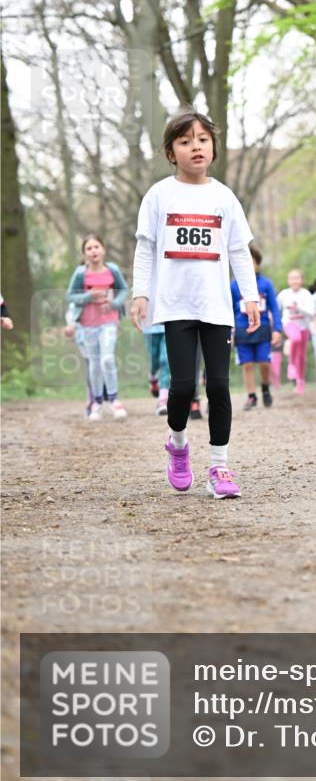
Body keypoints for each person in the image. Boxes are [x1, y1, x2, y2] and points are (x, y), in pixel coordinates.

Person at [130, 107, 260, 498]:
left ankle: (219, 468)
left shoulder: (224, 197)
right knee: (183, 386)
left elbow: (239, 250)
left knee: (219, 384)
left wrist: (250, 297)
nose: (195, 147)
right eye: (185, 142)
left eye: (202, 140)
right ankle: (179, 444)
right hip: (175, 304)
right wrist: (141, 292)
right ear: (172, 152)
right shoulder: (159, 195)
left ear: (214, 148)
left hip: (216, 305)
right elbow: (145, 249)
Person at [66, 235, 128, 421]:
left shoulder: (113, 270)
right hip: (87, 324)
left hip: (109, 321)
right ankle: (97, 403)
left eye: (96, 247)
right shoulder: (80, 273)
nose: (93, 251)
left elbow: (123, 289)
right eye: (89, 248)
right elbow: (70, 296)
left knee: (107, 359)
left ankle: (115, 400)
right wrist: (88, 296)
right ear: (84, 253)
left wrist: (114, 303)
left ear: (103, 249)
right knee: (94, 363)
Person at [231, 244, 282, 410]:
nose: (248, 266)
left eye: (251, 262)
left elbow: (274, 308)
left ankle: (265, 388)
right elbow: (230, 309)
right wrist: (230, 331)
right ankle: (251, 396)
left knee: (264, 362)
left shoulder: (266, 284)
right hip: (241, 329)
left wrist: (277, 330)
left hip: (263, 329)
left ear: (257, 263)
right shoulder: (234, 286)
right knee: (246, 364)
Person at [277, 270, 314, 394]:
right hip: (289, 323)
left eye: (297, 278)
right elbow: (276, 308)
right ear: (288, 281)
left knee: (302, 356)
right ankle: (291, 365)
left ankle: (300, 381)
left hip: (303, 326)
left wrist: (298, 308)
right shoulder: (284, 294)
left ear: (302, 280)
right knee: (295, 339)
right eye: (292, 278)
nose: (294, 281)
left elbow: (311, 313)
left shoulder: (306, 294)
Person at [143, 322, 170, 415]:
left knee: (165, 360)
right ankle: (152, 376)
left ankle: (163, 400)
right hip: (150, 326)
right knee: (154, 360)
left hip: (168, 323)